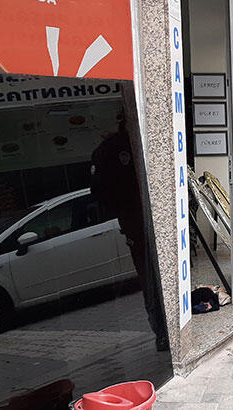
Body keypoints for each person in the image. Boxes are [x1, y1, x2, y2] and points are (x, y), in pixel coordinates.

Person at [90, 118, 170, 352]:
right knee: (153, 278)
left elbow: (99, 194)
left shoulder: (110, 148)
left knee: (150, 279)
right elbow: (101, 194)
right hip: (139, 221)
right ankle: (163, 333)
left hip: (136, 222)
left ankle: (163, 333)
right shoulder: (114, 149)